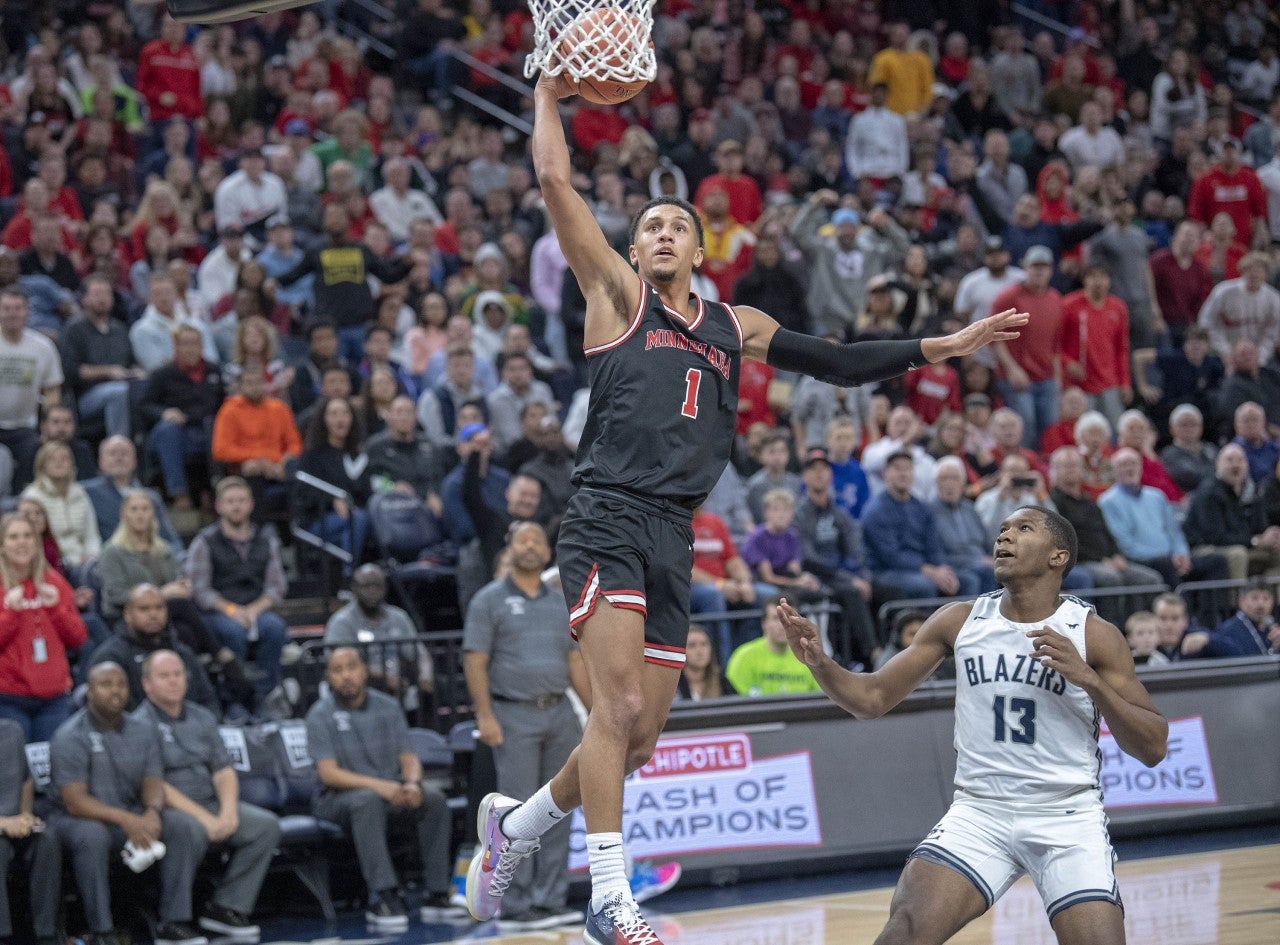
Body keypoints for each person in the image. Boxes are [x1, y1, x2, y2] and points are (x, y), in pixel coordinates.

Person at [464, 68, 1026, 944]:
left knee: (639, 735)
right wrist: (546, 96)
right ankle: (610, 898)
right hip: (606, 512)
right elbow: (552, 181)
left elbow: (834, 359)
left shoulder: (738, 324)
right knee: (610, 712)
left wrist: (937, 347)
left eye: (671, 226)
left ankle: (518, 825)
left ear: (699, 251)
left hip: (673, 531)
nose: (654, 232)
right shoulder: (615, 293)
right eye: (646, 224)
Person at [779, 505, 1167, 945]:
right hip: (980, 811)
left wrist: (1090, 681)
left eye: (1023, 529)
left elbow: (1153, 746)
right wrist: (820, 662)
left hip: (1066, 814)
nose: (1005, 537)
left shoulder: (1092, 634)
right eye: (1002, 529)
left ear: (1058, 556)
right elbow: (870, 699)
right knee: (904, 932)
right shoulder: (960, 620)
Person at [463, 522, 588, 931]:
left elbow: (574, 662)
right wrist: (485, 716)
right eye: (523, 540)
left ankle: (549, 900)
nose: (531, 546)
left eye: (537, 539)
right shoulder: (488, 599)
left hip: (558, 713)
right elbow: (475, 660)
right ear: (510, 547)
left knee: (560, 807)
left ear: (547, 550)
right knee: (515, 813)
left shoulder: (559, 601)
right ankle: (515, 904)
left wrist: (599, 713)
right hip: (512, 714)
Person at [49, 661, 210, 945]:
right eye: (106, 684)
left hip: (131, 811)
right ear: (89, 691)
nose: (115, 691)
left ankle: (173, 922)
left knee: (183, 825)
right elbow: (74, 801)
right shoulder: (70, 735)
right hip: (78, 819)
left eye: (121, 684)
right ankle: (102, 930)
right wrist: (127, 819)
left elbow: (153, 779)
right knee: (92, 836)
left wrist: (152, 812)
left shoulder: (142, 729)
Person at [133, 650, 281, 941]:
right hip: (166, 809)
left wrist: (227, 812)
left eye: (178, 674)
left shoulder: (202, 716)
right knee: (188, 829)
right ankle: (172, 921)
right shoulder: (139, 724)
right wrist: (205, 819)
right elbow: (156, 784)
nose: (174, 681)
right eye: (165, 676)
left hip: (210, 801)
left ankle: (225, 907)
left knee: (265, 826)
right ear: (147, 684)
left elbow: (223, 770)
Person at [306, 647, 458, 930]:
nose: (346, 676)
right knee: (366, 801)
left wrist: (411, 783)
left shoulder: (388, 706)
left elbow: (409, 757)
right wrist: (384, 787)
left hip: (387, 792)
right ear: (328, 677)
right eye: (337, 671)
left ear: (364, 670)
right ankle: (383, 895)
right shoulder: (320, 714)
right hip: (335, 800)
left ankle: (437, 893)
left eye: (351, 667)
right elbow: (328, 774)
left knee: (433, 798)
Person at [185, 478, 289, 701]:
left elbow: (277, 587)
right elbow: (200, 589)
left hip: (256, 609)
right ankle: (234, 698)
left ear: (251, 505)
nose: (236, 506)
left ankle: (265, 696)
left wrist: (253, 610)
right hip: (219, 611)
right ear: (219, 506)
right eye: (230, 501)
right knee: (234, 632)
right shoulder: (204, 541)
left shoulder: (266, 540)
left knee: (275, 628)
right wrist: (232, 610)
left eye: (241, 500)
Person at [0, 512, 87, 741]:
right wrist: (10, 613)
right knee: (16, 772)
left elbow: (78, 637)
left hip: (54, 698)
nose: (22, 542)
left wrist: (56, 609)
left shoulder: (54, 583)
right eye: (14, 537)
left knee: (52, 771)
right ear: (2, 545)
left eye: (28, 536)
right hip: (8, 698)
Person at [1099, 449, 1230, 592]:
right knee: (1166, 565)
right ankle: (1180, 612)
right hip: (1140, 560)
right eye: (1124, 464)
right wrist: (1168, 557)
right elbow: (1125, 545)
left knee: (1217, 562)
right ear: (1114, 471)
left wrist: (1181, 553)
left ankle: (1215, 614)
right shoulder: (1108, 501)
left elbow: (1174, 531)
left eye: (1134, 464)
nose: (1130, 468)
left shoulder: (1157, 496)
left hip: (1172, 558)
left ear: (1141, 468)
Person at [88, 585, 220, 717]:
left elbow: (208, 698)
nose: (153, 614)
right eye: (144, 609)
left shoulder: (182, 652)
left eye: (159, 608)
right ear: (127, 614)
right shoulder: (111, 657)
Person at [863, 452, 975, 599]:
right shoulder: (876, 511)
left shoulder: (921, 507)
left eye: (908, 469)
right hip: (887, 571)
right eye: (897, 469)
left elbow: (934, 546)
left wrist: (942, 569)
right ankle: (925, 622)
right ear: (886, 473)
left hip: (924, 569)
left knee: (968, 580)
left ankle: (974, 622)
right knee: (924, 585)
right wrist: (931, 572)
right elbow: (891, 556)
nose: (903, 474)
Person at [323, 564, 434, 708]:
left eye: (377, 586)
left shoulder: (399, 617)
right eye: (366, 586)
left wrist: (426, 675)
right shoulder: (342, 621)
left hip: (400, 684)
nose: (372, 591)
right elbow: (341, 665)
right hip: (362, 689)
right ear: (354, 588)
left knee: (432, 689)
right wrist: (387, 679)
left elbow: (419, 653)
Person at [140, 324, 224, 510]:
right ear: (175, 347)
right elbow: (144, 406)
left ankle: (216, 491)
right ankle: (179, 492)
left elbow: (224, 405)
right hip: (174, 432)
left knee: (216, 427)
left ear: (202, 346)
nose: (190, 348)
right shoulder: (163, 374)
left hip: (206, 429)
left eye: (194, 343)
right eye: (184, 343)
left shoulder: (214, 371)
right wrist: (164, 412)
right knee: (168, 430)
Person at [0, 717, 62, 945]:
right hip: (3, 828)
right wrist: (3, 824)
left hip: (16, 825)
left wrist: (25, 815)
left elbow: (26, 781)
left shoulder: (12, 731)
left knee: (47, 840)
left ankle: (46, 933)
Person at [210, 370, 302, 520]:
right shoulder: (229, 411)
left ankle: (299, 528)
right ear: (240, 387)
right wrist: (259, 459)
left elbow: (295, 444)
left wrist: (285, 461)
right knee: (251, 468)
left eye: (258, 382)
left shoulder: (279, 408)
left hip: (279, 467)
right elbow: (221, 450)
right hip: (249, 468)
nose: (254, 387)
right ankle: (257, 530)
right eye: (249, 383)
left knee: (296, 469)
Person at [0, 288, 61, 487]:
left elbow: (52, 389)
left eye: (17, 308)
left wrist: (47, 422)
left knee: (29, 477)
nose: (12, 313)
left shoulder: (42, 346)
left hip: (25, 426)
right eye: (6, 308)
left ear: (27, 312)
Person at [83, 436, 182, 554]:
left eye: (124, 453)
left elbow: (171, 540)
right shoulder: (86, 492)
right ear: (101, 462)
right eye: (112, 453)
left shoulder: (151, 497)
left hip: (149, 559)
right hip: (111, 562)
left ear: (135, 461)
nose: (119, 458)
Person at [725, 595, 821, 696]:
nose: (784, 625)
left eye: (790, 619)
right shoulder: (743, 656)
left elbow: (820, 700)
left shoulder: (809, 658)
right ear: (764, 623)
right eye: (776, 618)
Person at [1204, 581, 1280, 657]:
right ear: (1241, 601)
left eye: (1266, 599)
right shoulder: (1229, 630)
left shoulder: (1273, 629)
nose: (1260, 604)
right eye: (1255, 598)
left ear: (1272, 602)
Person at [675, 625, 736, 701]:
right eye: (692, 645)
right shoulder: (673, 683)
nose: (700, 651)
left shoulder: (721, 680)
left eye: (704, 644)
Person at [1151, 593, 1211, 662]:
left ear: (1185, 621)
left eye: (1175, 619)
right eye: (1163, 618)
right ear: (1153, 620)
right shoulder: (1142, 641)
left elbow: (1225, 648)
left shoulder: (1196, 635)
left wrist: (1208, 640)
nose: (1169, 625)